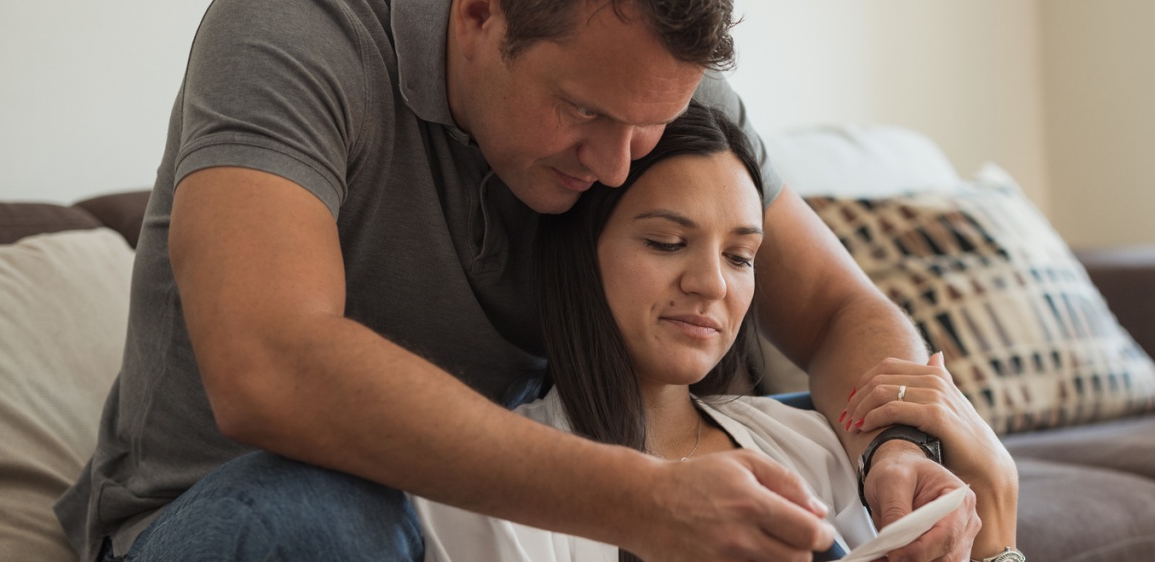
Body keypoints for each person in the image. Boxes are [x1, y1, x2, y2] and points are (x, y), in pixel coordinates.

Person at [52, 0, 1015, 561]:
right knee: (325, 508)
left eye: (647, 129)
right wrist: (647, 498)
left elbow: (844, 307)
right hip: (244, 515)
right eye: (582, 113)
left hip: (507, 511)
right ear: (477, 12)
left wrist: (891, 446)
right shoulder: (296, 33)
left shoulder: (648, 79)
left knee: (806, 443)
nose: (615, 165)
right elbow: (268, 362)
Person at [414, 103, 1019, 562]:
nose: (712, 284)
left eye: (740, 257)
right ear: (579, 256)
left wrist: (998, 523)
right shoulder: (491, 497)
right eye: (666, 242)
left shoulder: (823, 451)